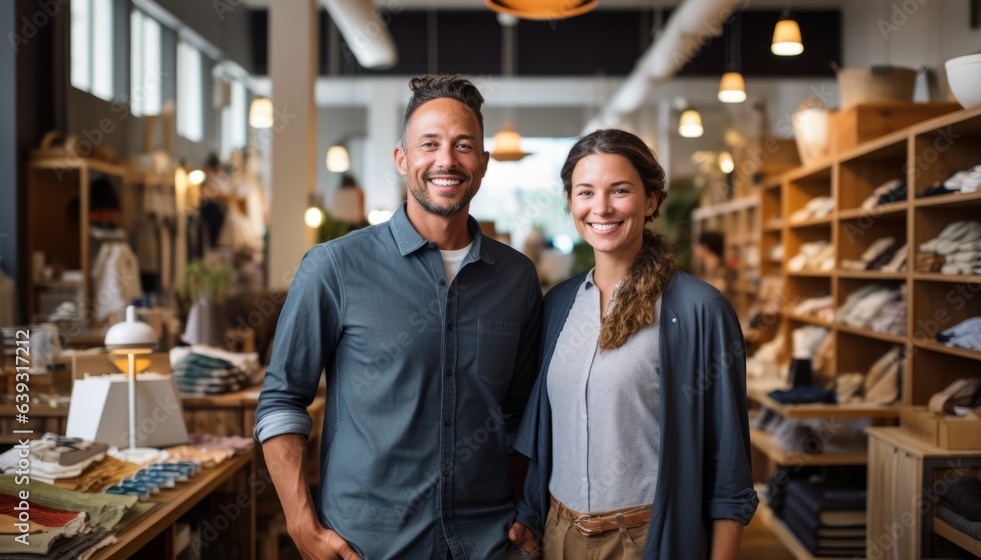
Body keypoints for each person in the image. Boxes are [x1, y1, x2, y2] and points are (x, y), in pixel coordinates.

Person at [255, 75, 542, 560]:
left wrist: (525, 513)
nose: (446, 160)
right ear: (402, 159)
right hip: (368, 544)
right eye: (429, 144)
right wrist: (303, 529)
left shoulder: (517, 277)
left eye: (463, 146)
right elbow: (282, 402)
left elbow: (520, 416)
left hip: (489, 543)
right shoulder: (334, 267)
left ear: (484, 164)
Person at [509, 129, 758, 559]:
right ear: (571, 202)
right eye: (585, 192)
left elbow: (728, 471)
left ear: (651, 201)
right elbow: (543, 434)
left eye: (620, 190)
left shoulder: (699, 309)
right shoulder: (558, 305)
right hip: (557, 537)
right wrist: (531, 517)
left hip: (647, 541)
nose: (601, 207)